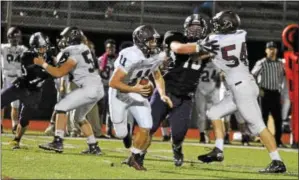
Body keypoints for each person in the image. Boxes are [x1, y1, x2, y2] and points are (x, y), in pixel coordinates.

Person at [196, 10, 286, 173]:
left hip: (241, 87)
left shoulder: (216, 39)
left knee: (258, 126)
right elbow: (211, 51)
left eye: (219, 22)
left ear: (227, 25)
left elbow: (196, 51)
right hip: (243, 85)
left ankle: (277, 161)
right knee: (214, 113)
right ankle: (218, 150)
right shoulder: (238, 35)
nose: (215, 25)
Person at [144, 13, 219, 167]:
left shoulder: (207, 48)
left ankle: (177, 147)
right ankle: (138, 155)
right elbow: (179, 49)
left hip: (185, 96)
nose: (195, 31)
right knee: (148, 127)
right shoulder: (175, 37)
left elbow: (215, 53)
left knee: (178, 134)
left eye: (199, 28)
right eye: (192, 27)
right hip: (165, 91)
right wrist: (206, 46)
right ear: (186, 28)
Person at [109, 25, 171, 170]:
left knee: (147, 126)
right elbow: (113, 82)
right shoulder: (130, 54)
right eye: (150, 41)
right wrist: (133, 88)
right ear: (141, 41)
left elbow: (157, 75)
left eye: (155, 41)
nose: (154, 44)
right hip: (119, 92)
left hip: (137, 91)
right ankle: (126, 130)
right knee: (120, 133)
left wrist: (162, 94)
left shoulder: (156, 55)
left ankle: (134, 157)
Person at [37, 27, 104, 155]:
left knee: (60, 107)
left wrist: (44, 64)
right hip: (97, 88)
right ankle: (93, 146)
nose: (62, 40)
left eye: (64, 37)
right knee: (79, 117)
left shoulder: (70, 50)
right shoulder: (85, 48)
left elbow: (59, 72)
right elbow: (69, 63)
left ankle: (58, 141)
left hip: (87, 88)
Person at [1, 32, 52, 149]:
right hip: (21, 87)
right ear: (33, 47)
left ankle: (16, 140)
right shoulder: (27, 56)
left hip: (35, 93)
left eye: (44, 47)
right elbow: (34, 72)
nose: (43, 49)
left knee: (24, 119)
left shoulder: (49, 55)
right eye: (40, 47)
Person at [251, 41, 286, 148]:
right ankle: (265, 141)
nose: (272, 51)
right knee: (263, 118)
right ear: (266, 50)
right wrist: (258, 89)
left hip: (275, 93)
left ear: (277, 50)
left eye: (274, 48)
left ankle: (278, 140)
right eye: (270, 49)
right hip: (265, 93)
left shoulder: (281, 63)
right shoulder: (262, 62)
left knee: (278, 119)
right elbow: (252, 76)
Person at [1, 27, 28, 134]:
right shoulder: (4, 47)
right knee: (2, 103)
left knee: (15, 105)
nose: (15, 40)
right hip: (7, 77)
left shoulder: (22, 49)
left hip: (18, 79)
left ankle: (14, 125)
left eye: (16, 38)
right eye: (13, 37)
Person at [98, 39, 118, 138]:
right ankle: (98, 130)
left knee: (112, 110)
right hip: (103, 86)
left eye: (113, 48)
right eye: (109, 47)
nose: (111, 50)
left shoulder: (118, 60)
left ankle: (109, 130)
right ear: (106, 48)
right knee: (101, 109)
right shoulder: (100, 60)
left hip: (114, 87)